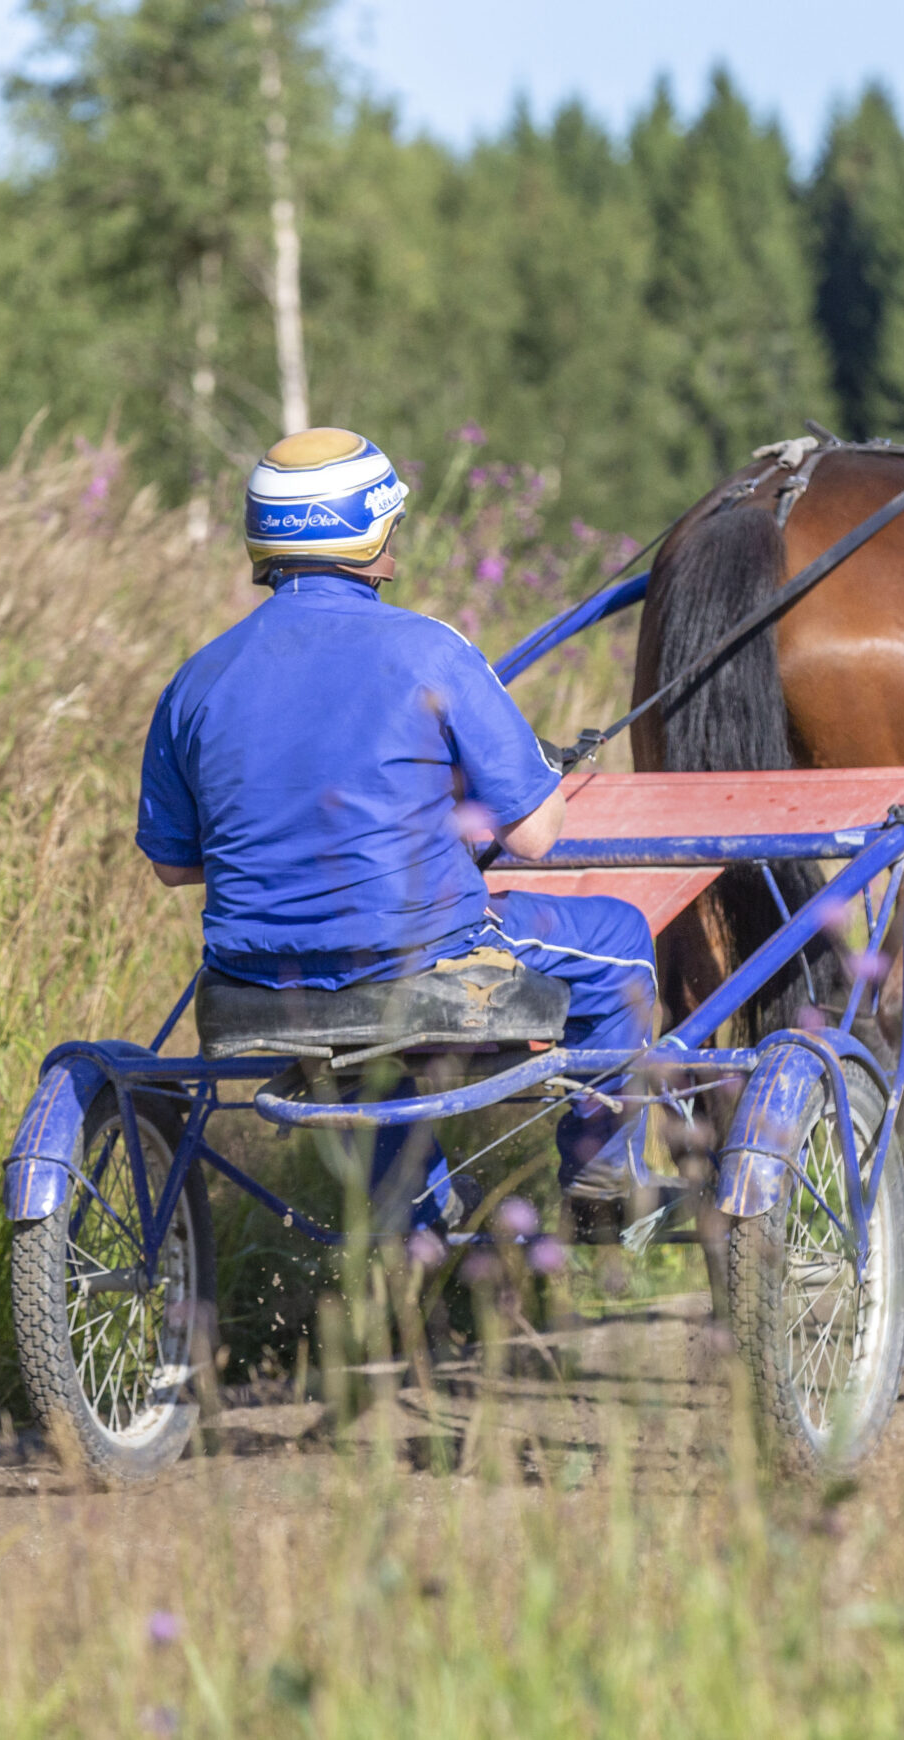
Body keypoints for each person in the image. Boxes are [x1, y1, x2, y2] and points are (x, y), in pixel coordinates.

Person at [137, 427, 663, 1231]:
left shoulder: (196, 678)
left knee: (351, 1042)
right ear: (372, 533)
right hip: (419, 965)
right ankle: (602, 1173)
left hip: (254, 984)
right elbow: (532, 838)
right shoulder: (430, 649)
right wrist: (537, 776)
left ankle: (412, 1222)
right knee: (621, 938)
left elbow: (176, 867)